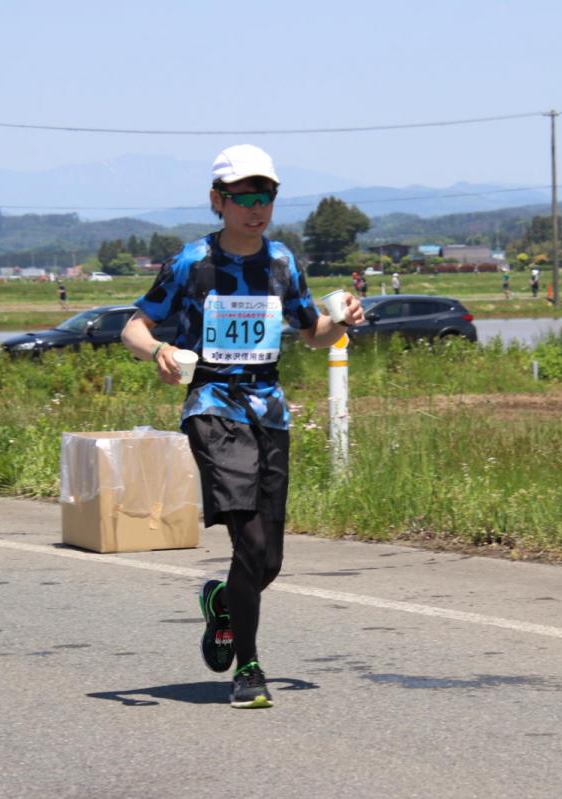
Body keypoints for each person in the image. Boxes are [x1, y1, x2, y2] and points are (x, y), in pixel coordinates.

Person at [122, 144, 363, 709]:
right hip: (212, 406)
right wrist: (156, 348)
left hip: (270, 411)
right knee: (249, 541)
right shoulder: (192, 262)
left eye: (267, 196)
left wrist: (345, 319)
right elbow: (133, 324)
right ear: (218, 201)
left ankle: (223, 605)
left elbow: (313, 330)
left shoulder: (281, 262)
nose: (257, 208)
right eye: (245, 197)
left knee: (269, 559)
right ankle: (249, 668)